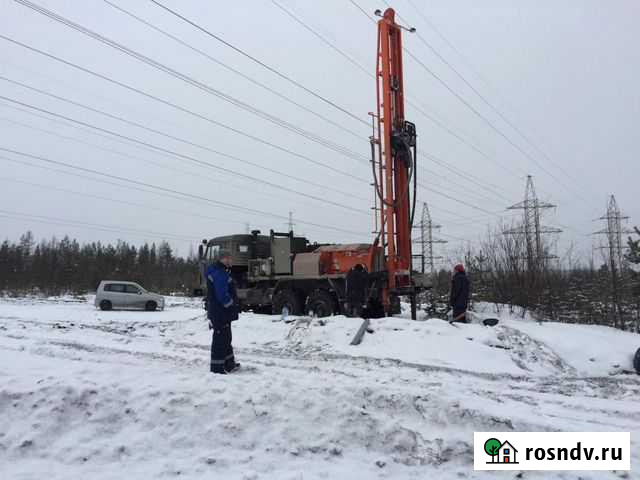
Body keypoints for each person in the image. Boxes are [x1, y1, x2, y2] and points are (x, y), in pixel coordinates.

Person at [206, 250, 239, 374]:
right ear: (224, 259)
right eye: (230, 258)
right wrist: (231, 305)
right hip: (220, 311)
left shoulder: (221, 271)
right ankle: (217, 368)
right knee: (220, 339)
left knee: (226, 337)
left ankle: (229, 364)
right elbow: (222, 295)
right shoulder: (219, 273)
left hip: (221, 311)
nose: (232, 261)